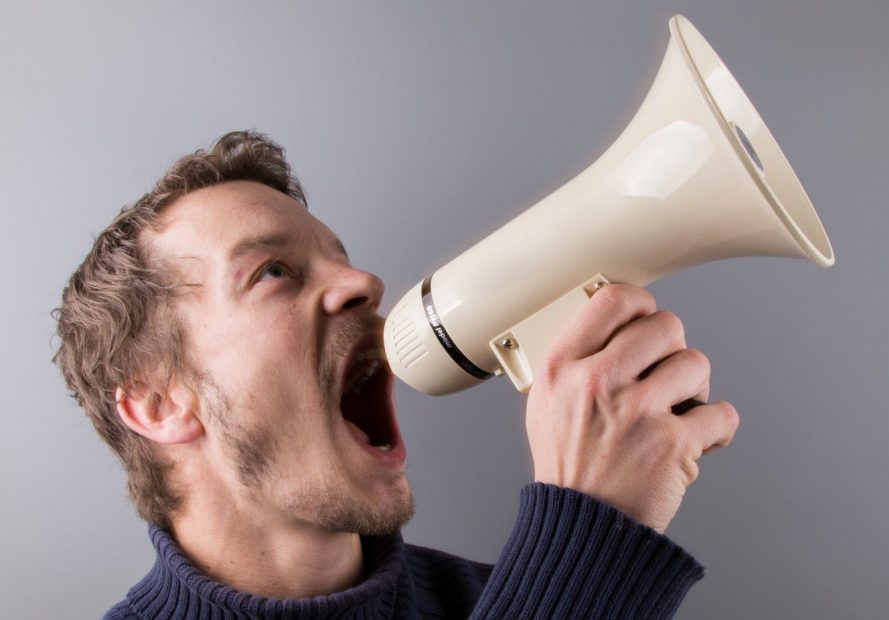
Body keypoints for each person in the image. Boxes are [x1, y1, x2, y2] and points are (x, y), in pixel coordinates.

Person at [54, 130, 739, 619]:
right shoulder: (566, 593)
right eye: (272, 272)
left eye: (342, 259)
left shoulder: (501, 597)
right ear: (157, 403)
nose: (364, 282)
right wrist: (587, 544)